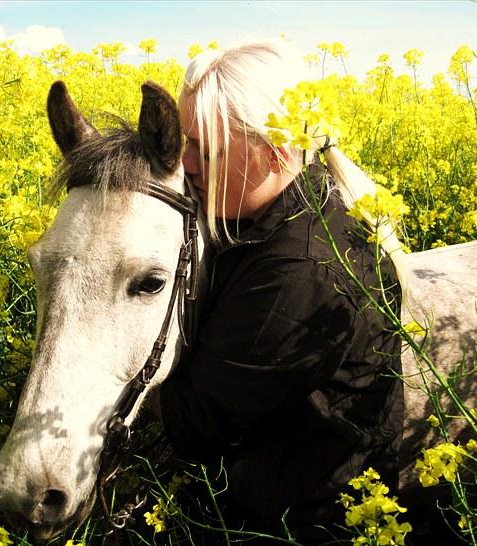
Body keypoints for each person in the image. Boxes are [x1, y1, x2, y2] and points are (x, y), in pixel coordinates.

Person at [158, 42, 405, 543]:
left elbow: (191, 423)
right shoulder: (288, 204)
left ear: (274, 151)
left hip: (300, 521)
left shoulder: (301, 270)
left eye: (205, 149)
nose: (185, 165)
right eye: (184, 142)